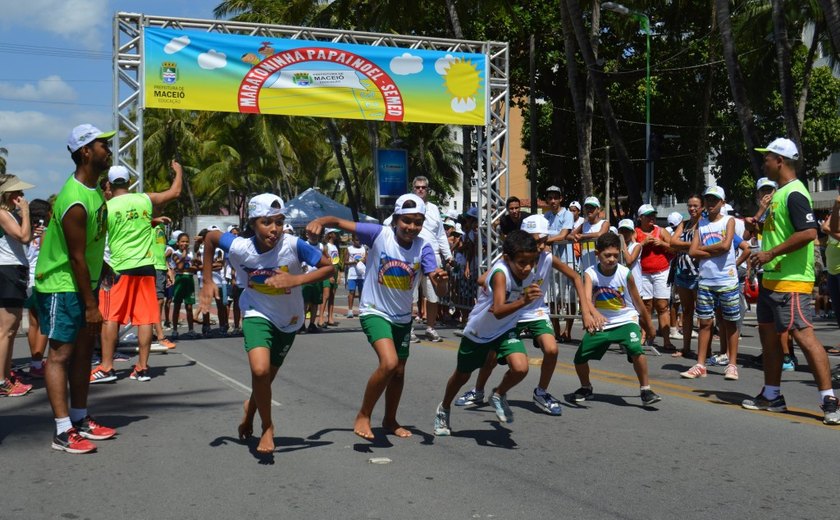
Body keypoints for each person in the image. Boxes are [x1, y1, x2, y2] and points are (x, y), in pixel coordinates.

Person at [308, 193, 448, 441]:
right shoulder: (378, 234)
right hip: (374, 311)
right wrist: (322, 220)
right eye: (407, 221)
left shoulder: (423, 247)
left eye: (418, 222)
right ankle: (363, 414)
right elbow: (340, 223)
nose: (412, 227)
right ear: (395, 219)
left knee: (399, 371)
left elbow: (436, 281)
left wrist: (439, 279)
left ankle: (390, 419)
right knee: (389, 363)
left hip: (403, 318)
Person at [200, 194, 332, 454]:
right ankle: (268, 427)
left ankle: (249, 413)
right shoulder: (240, 247)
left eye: (279, 222)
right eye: (266, 222)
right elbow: (210, 238)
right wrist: (207, 280)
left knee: (265, 379)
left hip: (289, 320)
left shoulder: (294, 245)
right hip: (256, 312)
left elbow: (329, 269)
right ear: (252, 224)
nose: (274, 229)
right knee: (259, 372)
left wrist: (296, 281)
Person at [452, 215, 603, 416]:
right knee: (492, 357)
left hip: (536, 311)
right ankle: (478, 390)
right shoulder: (512, 260)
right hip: (513, 311)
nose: (540, 246)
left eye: (543, 241)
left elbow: (576, 276)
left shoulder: (548, 257)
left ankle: (541, 392)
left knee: (551, 349)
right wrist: (495, 288)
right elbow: (482, 279)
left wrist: (586, 310)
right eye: (536, 241)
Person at [34, 124, 118, 453]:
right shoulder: (75, 200)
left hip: (84, 283)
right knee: (60, 355)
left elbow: (92, 246)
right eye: (102, 145)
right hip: (62, 284)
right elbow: (76, 257)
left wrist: (105, 269)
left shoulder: (95, 191)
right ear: (85, 152)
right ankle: (62, 429)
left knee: (84, 352)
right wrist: (91, 304)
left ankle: (80, 418)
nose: (107, 150)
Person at [744, 138, 839, 425]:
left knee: (804, 338)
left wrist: (770, 252)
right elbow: (780, 230)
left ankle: (829, 400)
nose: (764, 163)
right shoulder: (778, 194)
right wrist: (757, 225)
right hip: (771, 279)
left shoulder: (795, 193)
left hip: (791, 281)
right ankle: (772, 395)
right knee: (770, 340)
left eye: (767, 158)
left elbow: (809, 233)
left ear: (780, 161)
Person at [434, 230, 542, 436]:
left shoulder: (525, 273)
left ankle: (499, 394)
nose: (527, 268)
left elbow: (482, 279)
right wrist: (523, 300)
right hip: (479, 332)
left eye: (532, 261)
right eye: (522, 262)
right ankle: (444, 408)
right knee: (461, 376)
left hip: (505, 330)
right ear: (507, 258)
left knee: (520, 368)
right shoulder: (501, 274)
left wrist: (487, 281)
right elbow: (498, 310)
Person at [90, 163, 182, 384]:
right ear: (129, 182)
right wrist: (178, 172)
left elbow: (97, 238)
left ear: (110, 185)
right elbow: (175, 192)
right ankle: (142, 368)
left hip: (119, 268)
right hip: (146, 269)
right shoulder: (144, 200)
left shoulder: (107, 207)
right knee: (145, 319)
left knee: (111, 317)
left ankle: (107, 367)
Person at [570, 233, 661, 406]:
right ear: (597, 254)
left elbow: (638, 302)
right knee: (579, 358)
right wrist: (592, 314)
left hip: (626, 319)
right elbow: (587, 299)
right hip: (601, 322)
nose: (612, 259)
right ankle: (586, 387)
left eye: (615, 255)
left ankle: (645, 390)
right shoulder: (591, 273)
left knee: (636, 349)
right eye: (607, 255)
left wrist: (649, 325)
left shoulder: (625, 273)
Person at [680, 186, 742, 380]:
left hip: (727, 279)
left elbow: (726, 246)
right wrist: (711, 249)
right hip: (706, 280)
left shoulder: (728, 221)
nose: (711, 203)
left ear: (722, 203)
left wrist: (704, 249)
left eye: (715, 200)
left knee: (730, 323)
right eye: (708, 200)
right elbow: (692, 252)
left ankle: (732, 364)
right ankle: (700, 365)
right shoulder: (702, 224)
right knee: (705, 322)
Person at [0, 174, 35, 397]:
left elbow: (26, 237)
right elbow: (23, 236)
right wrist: (26, 212)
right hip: (8, 271)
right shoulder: (3, 214)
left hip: (15, 270)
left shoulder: (9, 214)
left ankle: (5, 375)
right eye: (18, 193)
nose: (22, 197)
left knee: (11, 331)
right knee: (6, 330)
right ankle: (2, 380)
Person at [408, 176, 452, 342]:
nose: (420, 190)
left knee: (433, 295)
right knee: (410, 295)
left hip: (432, 255)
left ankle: (431, 328)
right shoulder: (407, 205)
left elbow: (441, 234)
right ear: (413, 189)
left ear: (428, 190)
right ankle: (409, 329)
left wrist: (448, 256)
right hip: (412, 254)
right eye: (417, 187)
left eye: (423, 187)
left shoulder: (433, 209)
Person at [635, 204, 676, 350]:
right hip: (643, 273)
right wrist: (642, 243)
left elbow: (674, 248)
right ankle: (643, 336)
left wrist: (662, 243)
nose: (652, 218)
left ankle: (666, 340)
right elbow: (630, 250)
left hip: (661, 271)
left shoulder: (661, 231)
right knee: (646, 306)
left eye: (653, 215)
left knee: (662, 306)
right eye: (648, 215)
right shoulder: (636, 232)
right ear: (641, 218)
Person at [668, 195, 702, 358]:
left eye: (696, 205)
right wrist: (692, 245)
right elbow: (672, 243)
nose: (692, 209)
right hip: (682, 272)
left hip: (698, 272)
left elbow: (703, 245)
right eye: (690, 205)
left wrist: (683, 246)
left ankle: (704, 350)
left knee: (702, 313)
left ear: (702, 207)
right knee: (686, 310)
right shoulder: (685, 223)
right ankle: (686, 347)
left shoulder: (704, 224)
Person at [543, 185, 576, 342]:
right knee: (552, 297)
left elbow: (564, 234)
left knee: (569, 297)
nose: (553, 200)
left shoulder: (567, 214)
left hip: (566, 261)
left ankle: (568, 331)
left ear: (561, 198)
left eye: (556, 197)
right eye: (550, 198)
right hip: (551, 262)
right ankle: (556, 331)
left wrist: (547, 240)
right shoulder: (546, 216)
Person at [25, 199, 51, 379]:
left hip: (25, 281)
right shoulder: (47, 233)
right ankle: (36, 363)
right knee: (44, 324)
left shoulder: (23, 231)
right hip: (41, 281)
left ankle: (35, 360)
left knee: (33, 323)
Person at [171, 231, 199, 339]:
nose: (185, 244)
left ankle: (191, 329)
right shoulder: (175, 254)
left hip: (189, 279)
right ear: (177, 243)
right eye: (182, 241)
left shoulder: (191, 254)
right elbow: (180, 266)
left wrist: (188, 265)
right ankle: (174, 329)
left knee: (189, 306)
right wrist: (183, 257)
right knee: (177, 306)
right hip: (179, 279)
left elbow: (194, 268)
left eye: (187, 242)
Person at [571, 196, 608, 273]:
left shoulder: (604, 223)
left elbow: (600, 234)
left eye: (592, 208)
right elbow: (570, 235)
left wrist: (583, 236)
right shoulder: (584, 225)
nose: (589, 210)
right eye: (587, 207)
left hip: (601, 266)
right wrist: (575, 237)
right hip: (586, 266)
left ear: (598, 210)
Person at [301, 228, 325, 333]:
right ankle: (301, 324)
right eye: (312, 234)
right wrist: (302, 266)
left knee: (315, 302)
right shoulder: (303, 244)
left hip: (318, 277)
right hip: (306, 277)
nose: (314, 236)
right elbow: (299, 258)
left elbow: (325, 260)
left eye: (316, 234)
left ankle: (312, 324)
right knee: (305, 302)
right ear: (307, 234)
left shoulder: (321, 246)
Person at [318, 229, 341, 327]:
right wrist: (330, 274)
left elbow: (336, 261)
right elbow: (326, 261)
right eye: (335, 233)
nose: (337, 234)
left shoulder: (335, 246)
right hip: (328, 271)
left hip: (335, 270)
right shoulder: (326, 246)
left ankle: (330, 318)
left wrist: (339, 274)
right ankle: (320, 319)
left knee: (332, 296)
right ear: (330, 234)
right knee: (326, 295)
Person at [344, 234, 367, 318]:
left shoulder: (363, 248)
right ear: (353, 240)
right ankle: (350, 310)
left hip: (362, 275)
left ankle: (361, 310)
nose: (358, 242)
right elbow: (345, 262)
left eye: (359, 240)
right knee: (352, 292)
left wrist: (364, 260)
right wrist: (354, 262)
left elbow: (367, 260)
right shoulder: (349, 249)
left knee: (362, 292)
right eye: (357, 240)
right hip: (352, 274)